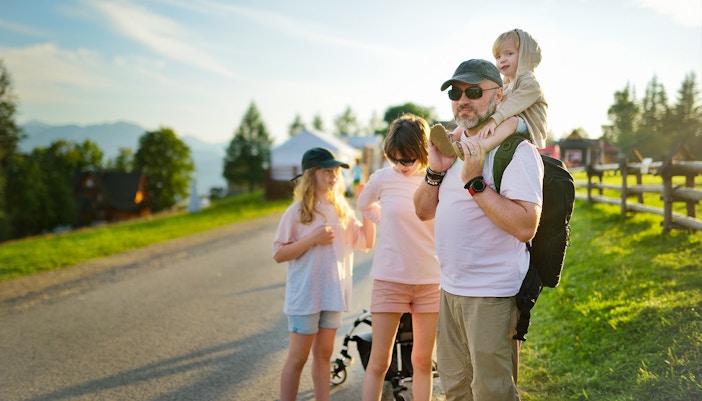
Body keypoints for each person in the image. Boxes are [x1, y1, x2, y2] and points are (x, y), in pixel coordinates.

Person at [414, 59, 544, 401]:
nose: (463, 100)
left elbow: (526, 226)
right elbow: (422, 211)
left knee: (492, 393)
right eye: (455, 93)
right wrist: (435, 171)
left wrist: (475, 182)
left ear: (498, 96)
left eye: (474, 91)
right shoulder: (451, 149)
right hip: (450, 290)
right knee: (456, 389)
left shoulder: (515, 151)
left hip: (492, 294)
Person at [273, 147, 376, 401]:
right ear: (311, 175)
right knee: (298, 358)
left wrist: (366, 209)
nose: (333, 177)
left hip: (333, 294)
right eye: (327, 171)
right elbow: (279, 253)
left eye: (335, 172)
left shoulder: (342, 210)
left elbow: (366, 241)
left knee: (324, 355)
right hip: (306, 296)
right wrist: (312, 239)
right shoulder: (297, 212)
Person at [356, 114, 440, 401]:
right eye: (394, 159)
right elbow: (364, 204)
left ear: (422, 152)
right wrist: (384, 220)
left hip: (430, 280)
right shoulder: (382, 178)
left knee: (421, 361)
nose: (400, 166)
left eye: (407, 160)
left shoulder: (436, 179)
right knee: (380, 362)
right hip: (390, 279)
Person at [431, 28, 547, 160]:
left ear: (526, 56)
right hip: (506, 120)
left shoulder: (530, 83)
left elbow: (513, 105)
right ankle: (452, 137)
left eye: (509, 54)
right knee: (475, 114)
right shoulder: (507, 84)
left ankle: (479, 147)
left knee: (511, 121)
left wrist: (494, 119)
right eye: (498, 57)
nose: (502, 60)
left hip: (528, 127)